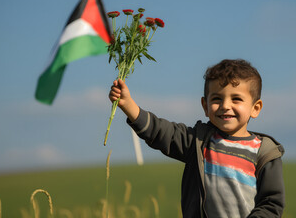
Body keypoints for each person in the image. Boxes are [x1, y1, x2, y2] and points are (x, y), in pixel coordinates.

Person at [109, 59, 285, 218]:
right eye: (216, 99)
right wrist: (128, 105)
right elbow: (162, 132)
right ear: (205, 106)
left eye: (236, 99)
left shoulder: (265, 153)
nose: (225, 106)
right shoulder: (198, 141)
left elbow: (271, 203)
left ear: (256, 108)